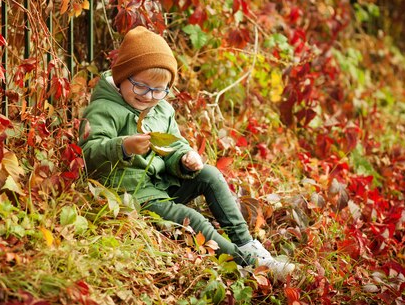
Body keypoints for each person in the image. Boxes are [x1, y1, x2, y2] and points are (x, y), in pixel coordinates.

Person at [78, 26, 295, 280]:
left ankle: (249, 246)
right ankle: (251, 266)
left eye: (159, 90)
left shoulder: (162, 109)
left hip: (161, 185)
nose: (149, 97)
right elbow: (89, 154)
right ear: (122, 76)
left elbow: (175, 145)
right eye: (141, 87)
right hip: (133, 195)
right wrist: (123, 147)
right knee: (191, 218)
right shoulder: (103, 109)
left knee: (210, 176)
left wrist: (184, 158)